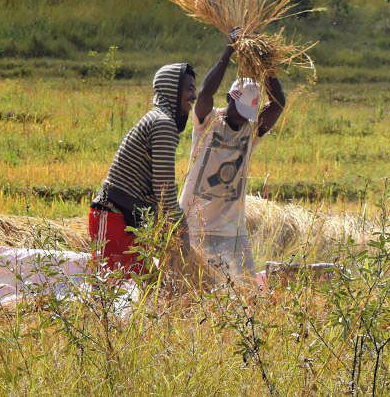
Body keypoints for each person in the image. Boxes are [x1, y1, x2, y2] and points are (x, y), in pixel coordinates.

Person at [179, 31, 285, 278]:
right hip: (195, 225)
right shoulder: (208, 122)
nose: (241, 118)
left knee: (246, 290)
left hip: (232, 230)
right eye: (238, 111)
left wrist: (265, 64)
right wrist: (228, 51)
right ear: (229, 98)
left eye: (247, 113)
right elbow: (205, 94)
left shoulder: (251, 131)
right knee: (196, 288)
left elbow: (278, 104)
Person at [89, 62, 197, 274]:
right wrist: (180, 229)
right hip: (114, 218)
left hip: (127, 220)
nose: (194, 96)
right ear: (172, 90)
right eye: (189, 88)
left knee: (141, 291)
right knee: (114, 291)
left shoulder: (160, 120)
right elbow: (164, 188)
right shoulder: (163, 124)